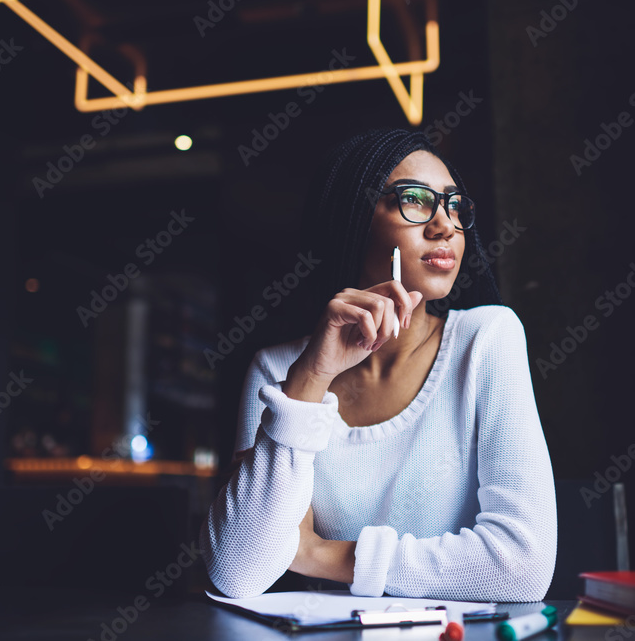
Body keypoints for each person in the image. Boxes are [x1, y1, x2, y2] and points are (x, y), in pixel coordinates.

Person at [201, 128, 556, 602]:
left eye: (454, 205)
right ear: (351, 218)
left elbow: (521, 566)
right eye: (414, 200)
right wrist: (310, 378)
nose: (444, 225)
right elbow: (237, 571)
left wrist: (316, 554)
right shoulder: (278, 369)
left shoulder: (487, 338)